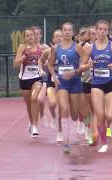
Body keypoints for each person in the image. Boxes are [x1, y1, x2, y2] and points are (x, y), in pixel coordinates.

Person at [85, 20, 112, 153]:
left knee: (110, 115)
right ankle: (104, 143)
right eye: (100, 29)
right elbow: (81, 66)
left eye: (105, 30)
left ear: (107, 32)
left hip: (111, 83)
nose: (102, 32)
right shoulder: (90, 48)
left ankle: (109, 129)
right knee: (99, 114)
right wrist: (88, 65)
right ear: (96, 31)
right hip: (96, 84)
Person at [47, 22, 89, 153]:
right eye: (64, 30)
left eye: (69, 30)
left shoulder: (77, 47)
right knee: (64, 108)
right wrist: (54, 76)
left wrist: (78, 70)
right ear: (62, 32)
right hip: (62, 83)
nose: (66, 32)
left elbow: (84, 61)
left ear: (72, 33)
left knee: (75, 114)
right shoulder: (55, 48)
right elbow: (50, 64)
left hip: (75, 82)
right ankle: (66, 140)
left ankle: (78, 122)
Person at [13, 28, 46, 138]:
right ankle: (32, 122)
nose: (30, 37)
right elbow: (16, 64)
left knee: (34, 98)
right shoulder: (22, 48)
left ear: (35, 36)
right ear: (25, 38)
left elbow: (51, 56)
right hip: (24, 79)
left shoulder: (41, 48)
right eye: (27, 35)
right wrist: (24, 56)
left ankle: (36, 126)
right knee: (29, 104)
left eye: (31, 35)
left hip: (37, 78)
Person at [39, 29, 64, 142]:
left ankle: (60, 131)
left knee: (63, 107)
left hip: (64, 83)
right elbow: (40, 60)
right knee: (52, 103)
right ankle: (53, 116)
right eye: (56, 37)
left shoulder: (69, 50)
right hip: (51, 81)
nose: (59, 38)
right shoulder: (48, 51)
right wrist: (41, 70)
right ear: (53, 39)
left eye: (61, 36)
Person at [31, 26, 50, 128]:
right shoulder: (27, 48)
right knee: (32, 100)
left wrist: (47, 62)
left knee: (40, 99)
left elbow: (51, 58)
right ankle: (33, 122)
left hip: (42, 76)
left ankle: (42, 115)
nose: (36, 36)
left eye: (38, 34)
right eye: (34, 34)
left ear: (41, 35)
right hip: (30, 77)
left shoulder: (45, 47)